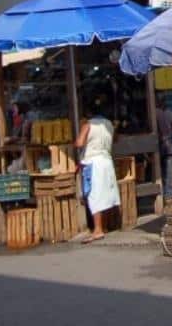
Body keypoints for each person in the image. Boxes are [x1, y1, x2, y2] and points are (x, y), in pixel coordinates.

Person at [76, 99, 121, 244]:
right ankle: (105, 226)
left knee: (94, 196)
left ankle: (97, 230)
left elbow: (79, 143)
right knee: (106, 194)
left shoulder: (88, 125)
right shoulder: (109, 125)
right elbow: (115, 140)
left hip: (94, 162)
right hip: (107, 161)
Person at [155, 95, 172, 189]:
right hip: (168, 146)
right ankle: (170, 191)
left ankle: (165, 191)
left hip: (159, 147)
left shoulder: (154, 113)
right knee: (169, 175)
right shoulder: (170, 113)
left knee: (161, 174)